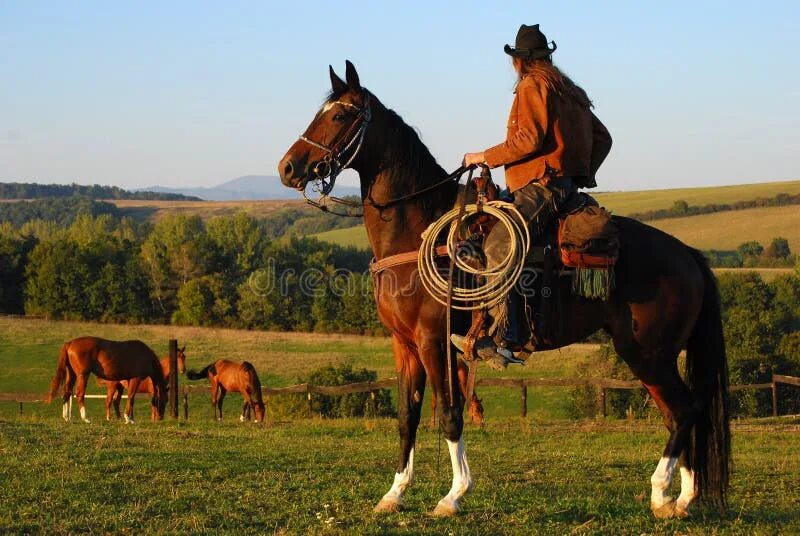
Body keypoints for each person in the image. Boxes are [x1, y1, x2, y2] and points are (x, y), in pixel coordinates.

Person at [451, 24, 612, 370]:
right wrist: (580, 174)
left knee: (496, 245)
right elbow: (604, 139)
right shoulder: (571, 91)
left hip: (540, 187)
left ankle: (506, 338)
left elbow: (529, 139)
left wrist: (483, 157)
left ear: (520, 61)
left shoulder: (532, 85)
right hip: (563, 187)